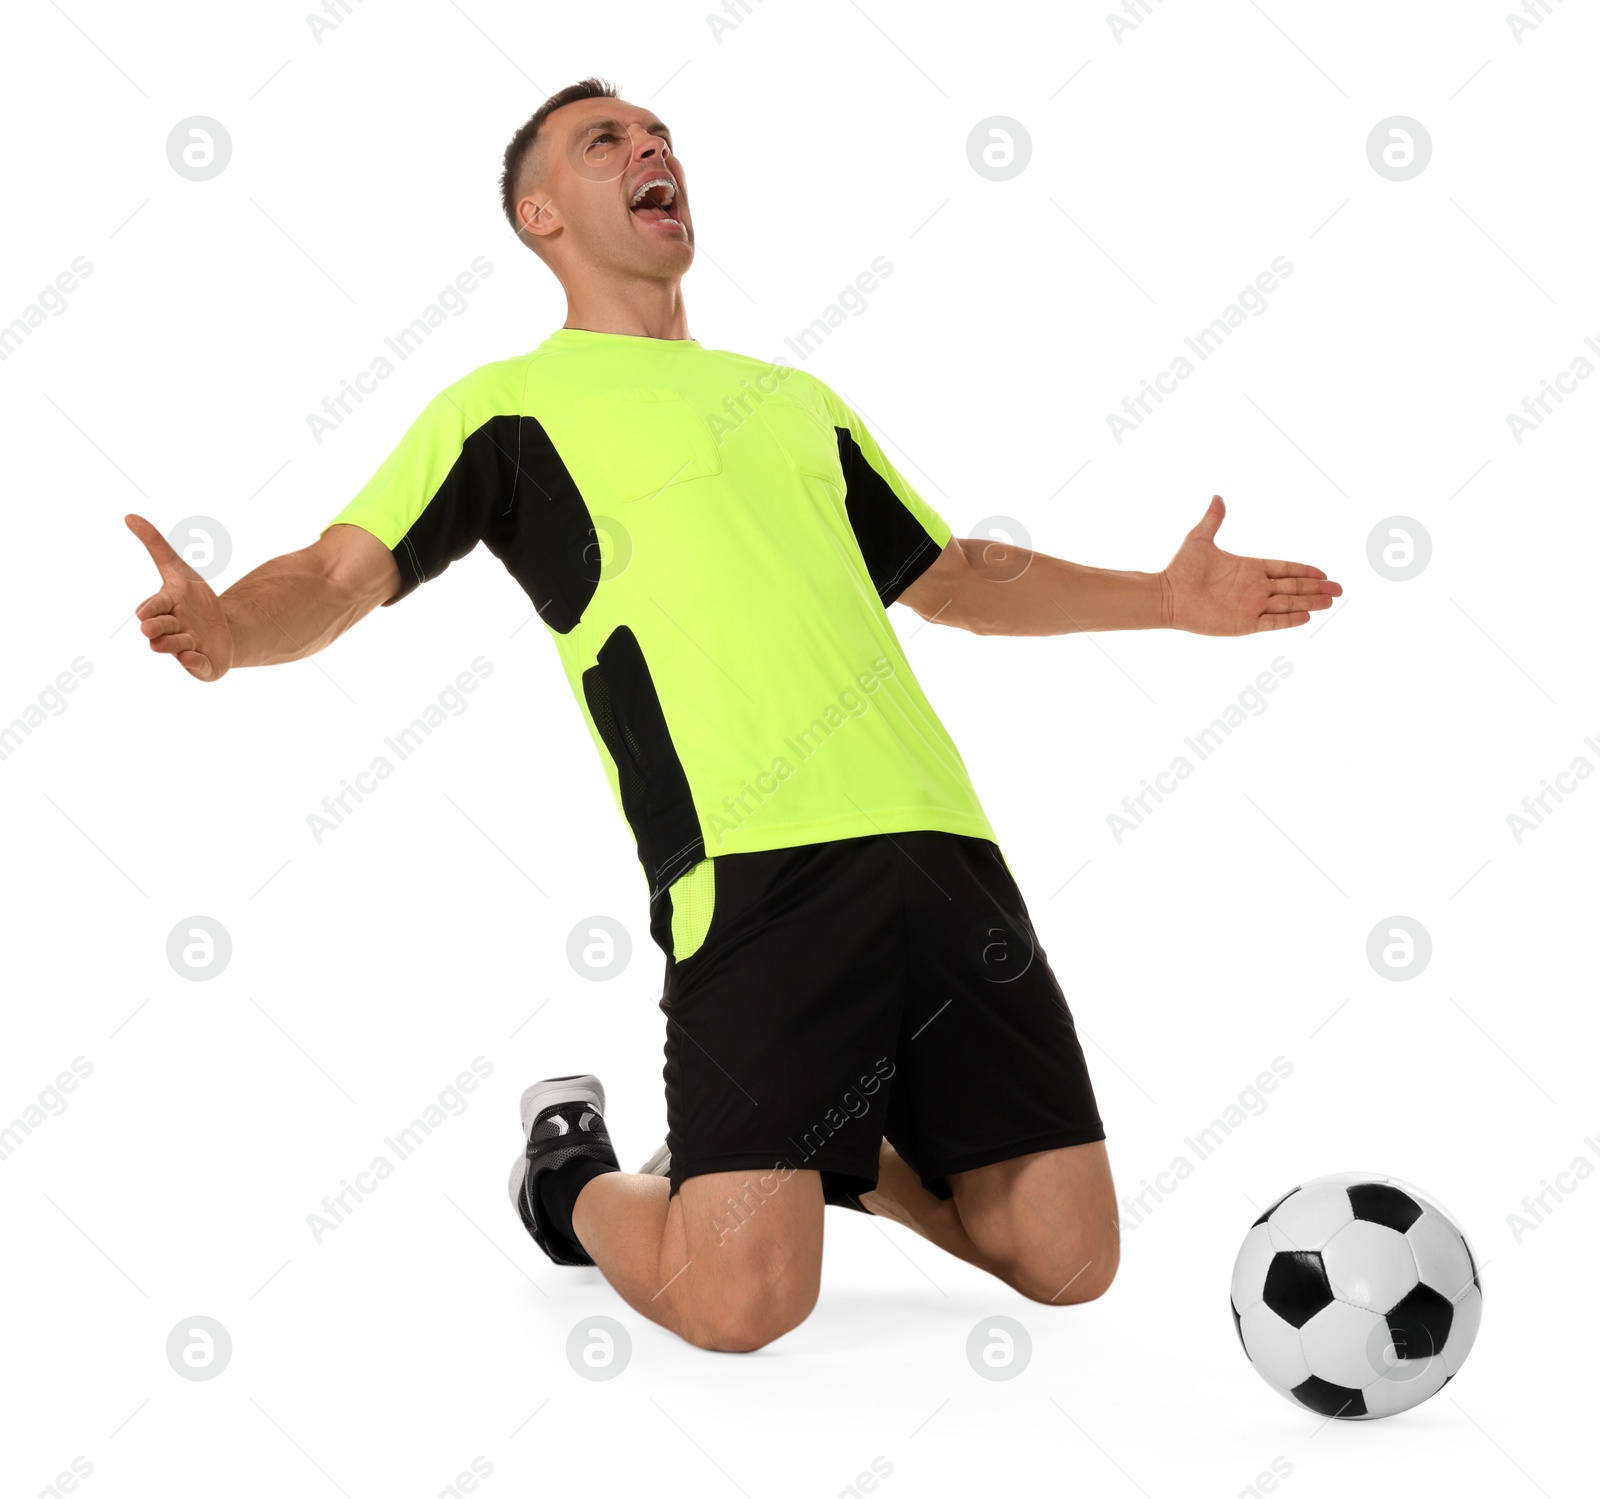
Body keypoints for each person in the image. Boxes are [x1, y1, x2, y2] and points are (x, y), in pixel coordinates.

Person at [125, 77, 1340, 1354]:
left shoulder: (793, 400)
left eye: (659, 138)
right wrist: (231, 630)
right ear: (539, 215)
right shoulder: (500, 409)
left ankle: (846, 1143)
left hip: (940, 844)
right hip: (755, 872)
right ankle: (570, 1181)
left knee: (1067, 1257)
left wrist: (1165, 597)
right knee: (740, 1305)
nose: (651, 150)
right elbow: (333, 574)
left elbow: (953, 578)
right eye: (607, 144)